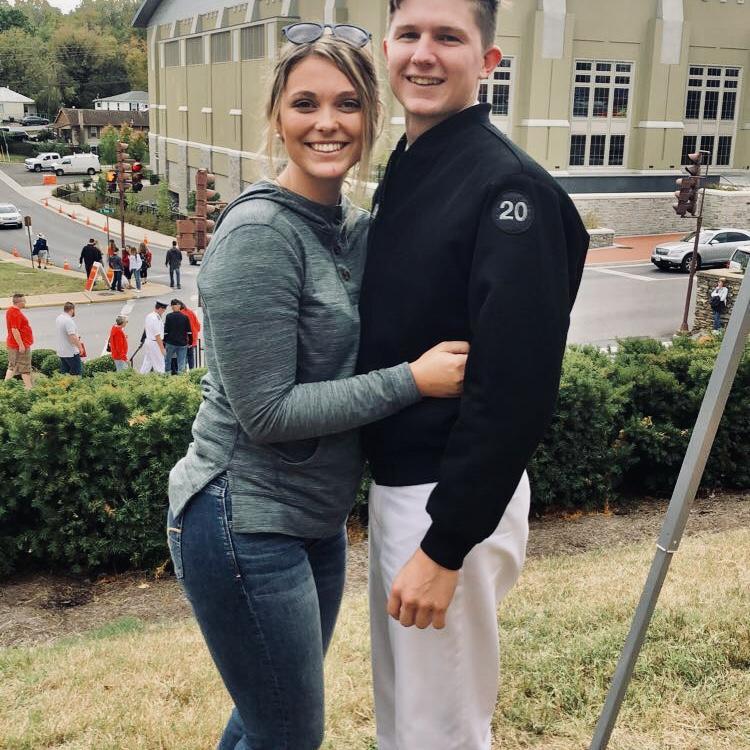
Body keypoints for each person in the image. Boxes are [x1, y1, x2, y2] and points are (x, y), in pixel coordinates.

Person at [167, 28, 468, 750]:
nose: (326, 122)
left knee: (267, 720)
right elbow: (267, 413)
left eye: (347, 104)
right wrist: (412, 380)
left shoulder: (354, 229)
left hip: (317, 521)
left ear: (371, 119)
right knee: (289, 732)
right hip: (242, 520)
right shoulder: (260, 235)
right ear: (277, 117)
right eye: (305, 104)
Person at [356, 2, 590, 748]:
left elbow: (515, 390)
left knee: (440, 733)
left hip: (445, 499)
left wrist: (445, 545)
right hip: (403, 488)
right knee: (404, 725)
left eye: (448, 37)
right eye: (409, 35)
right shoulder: (413, 163)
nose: (423, 54)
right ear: (387, 47)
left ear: (488, 61)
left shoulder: (509, 188)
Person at [4, 292, 33, 389]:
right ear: (19, 302)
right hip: (20, 345)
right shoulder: (16, 313)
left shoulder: (10, 310)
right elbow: (14, 330)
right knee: (25, 367)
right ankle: (29, 389)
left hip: (13, 344)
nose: (25, 302)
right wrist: (21, 345)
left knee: (13, 366)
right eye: (24, 301)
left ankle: (4, 388)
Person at [55, 301, 83, 375]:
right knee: (77, 373)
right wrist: (80, 347)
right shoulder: (68, 320)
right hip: (71, 352)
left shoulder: (59, 318)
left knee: (65, 373)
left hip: (62, 351)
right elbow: (72, 336)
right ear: (72, 310)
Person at [163, 299, 190, 374]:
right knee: (181, 362)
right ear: (179, 306)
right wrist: (190, 342)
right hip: (182, 343)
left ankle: (167, 375)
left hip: (170, 342)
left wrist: (164, 341)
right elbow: (189, 332)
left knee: (168, 360)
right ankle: (181, 377)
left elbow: (166, 331)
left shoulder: (168, 316)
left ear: (172, 307)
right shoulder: (185, 317)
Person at [140, 301, 167, 374]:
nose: (163, 312)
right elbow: (157, 335)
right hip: (155, 343)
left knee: (147, 363)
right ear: (160, 309)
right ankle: (161, 379)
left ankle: (141, 377)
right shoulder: (156, 318)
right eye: (163, 310)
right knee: (160, 365)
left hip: (149, 341)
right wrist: (162, 348)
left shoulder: (149, 315)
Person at [179, 301, 201, 369]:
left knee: (183, 357)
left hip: (184, 339)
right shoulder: (190, 312)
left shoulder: (180, 314)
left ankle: (184, 372)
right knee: (190, 356)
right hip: (192, 339)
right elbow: (198, 326)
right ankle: (192, 371)